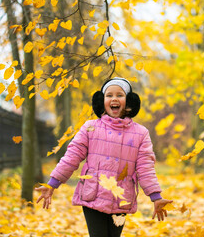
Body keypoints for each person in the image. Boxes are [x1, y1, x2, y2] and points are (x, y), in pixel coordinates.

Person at [35, 77, 172, 237]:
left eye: (119, 95)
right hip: (93, 194)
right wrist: (52, 184)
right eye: (109, 95)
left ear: (128, 102)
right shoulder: (90, 127)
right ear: (102, 101)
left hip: (121, 197)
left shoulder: (141, 134)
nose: (114, 98)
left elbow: (145, 168)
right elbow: (71, 157)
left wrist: (156, 197)